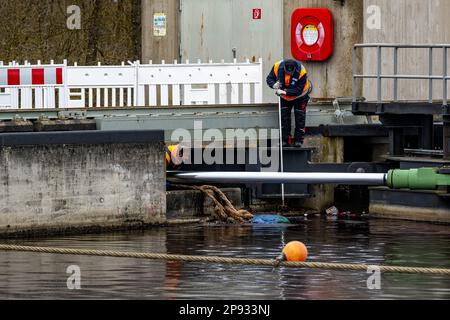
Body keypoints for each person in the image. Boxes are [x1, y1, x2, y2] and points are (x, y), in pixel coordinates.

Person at [266, 59, 312, 147]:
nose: (289, 74)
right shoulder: (276, 66)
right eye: (287, 72)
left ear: (295, 69)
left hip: (300, 96)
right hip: (284, 98)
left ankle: (298, 140)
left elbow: (298, 90)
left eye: (291, 73)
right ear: (284, 68)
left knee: (300, 118)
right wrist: (273, 85)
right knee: (284, 118)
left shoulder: (302, 71)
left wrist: (284, 92)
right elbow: (269, 78)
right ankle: (285, 140)